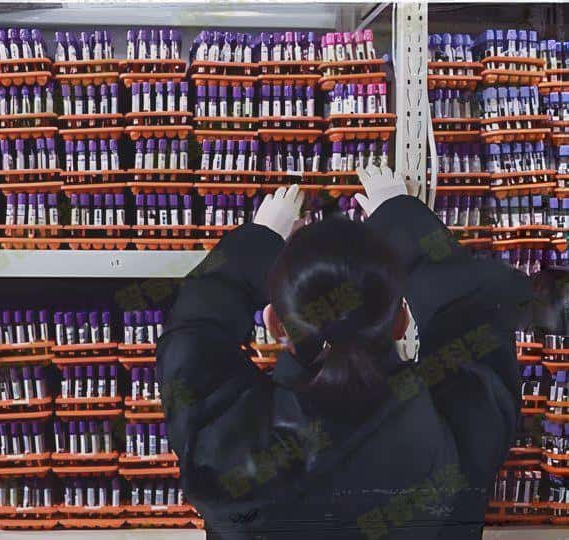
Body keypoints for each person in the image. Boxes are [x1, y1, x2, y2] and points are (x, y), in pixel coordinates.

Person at [156, 167, 532, 539]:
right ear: (401, 321)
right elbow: (470, 311)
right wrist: (404, 220)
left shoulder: (222, 442)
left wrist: (257, 242)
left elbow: (193, 334)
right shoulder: (456, 426)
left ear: (275, 325)